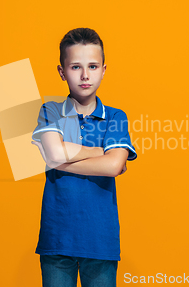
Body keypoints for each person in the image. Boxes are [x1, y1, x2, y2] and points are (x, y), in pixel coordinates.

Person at [31, 27, 137, 287]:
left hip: (101, 239)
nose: (85, 75)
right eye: (76, 67)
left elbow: (113, 166)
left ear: (103, 70)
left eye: (92, 66)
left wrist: (60, 159)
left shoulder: (115, 116)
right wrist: (98, 151)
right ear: (62, 72)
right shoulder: (51, 110)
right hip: (57, 239)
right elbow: (55, 153)